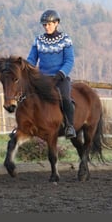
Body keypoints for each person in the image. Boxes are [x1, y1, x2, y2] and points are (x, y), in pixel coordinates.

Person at [27, 9, 76, 138]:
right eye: (44, 24)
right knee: (27, 96)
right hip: (42, 78)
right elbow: (32, 59)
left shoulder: (65, 39)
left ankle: (70, 126)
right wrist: (27, 69)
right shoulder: (38, 40)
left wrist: (60, 74)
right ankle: (23, 125)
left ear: (56, 23)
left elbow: (69, 60)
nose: (46, 27)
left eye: (49, 24)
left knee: (65, 97)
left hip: (60, 77)